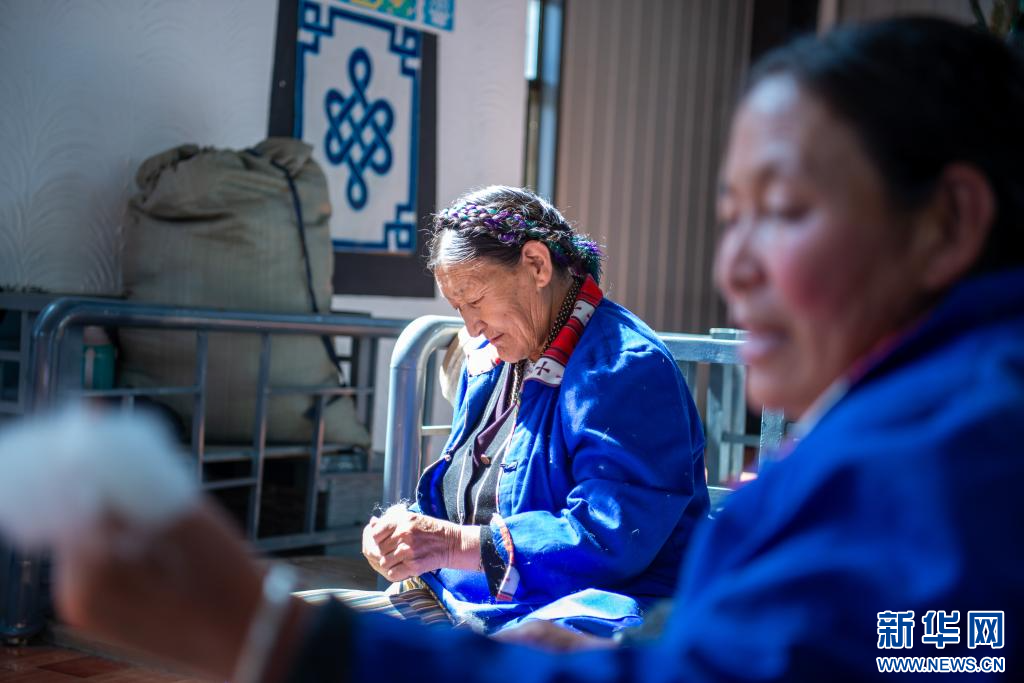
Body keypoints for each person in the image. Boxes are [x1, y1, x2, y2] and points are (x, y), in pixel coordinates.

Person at [25, 15, 1024, 682]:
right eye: (729, 218)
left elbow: (845, 639)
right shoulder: (914, 433)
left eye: (787, 209)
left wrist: (273, 633)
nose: (737, 264)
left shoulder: (950, 472)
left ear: (946, 222)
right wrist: (416, 530)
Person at [326, 185, 707, 635]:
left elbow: (611, 535)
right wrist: (403, 535)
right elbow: (470, 492)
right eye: (458, 308)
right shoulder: (495, 360)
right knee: (305, 637)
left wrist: (452, 544)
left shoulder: (623, 367)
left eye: (475, 301)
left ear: (537, 265)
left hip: (589, 612)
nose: (471, 327)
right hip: (472, 603)